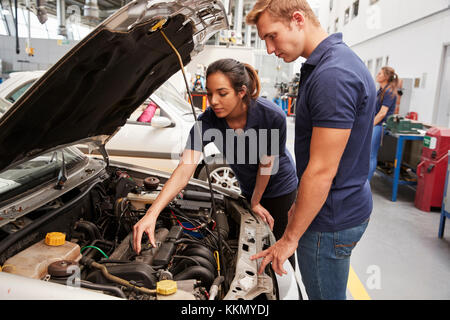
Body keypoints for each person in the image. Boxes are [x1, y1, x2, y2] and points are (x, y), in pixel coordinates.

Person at [245, 0, 377, 300]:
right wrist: (298, 210)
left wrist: (289, 238)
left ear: (297, 19)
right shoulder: (334, 62)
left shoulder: (332, 76)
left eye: (271, 36)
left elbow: (321, 170)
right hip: (339, 207)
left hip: (328, 221)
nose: (268, 49)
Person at [133, 59, 299, 266]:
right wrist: (152, 213)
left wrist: (256, 201)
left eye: (222, 93)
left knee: (279, 253)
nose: (213, 101)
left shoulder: (271, 116)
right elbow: (185, 170)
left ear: (241, 92)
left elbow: (267, 165)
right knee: (254, 252)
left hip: (279, 188)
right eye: (209, 93)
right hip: (249, 187)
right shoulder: (207, 122)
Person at [368, 67, 399, 181]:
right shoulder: (381, 91)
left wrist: (369, 126)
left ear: (386, 77)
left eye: (380, 73)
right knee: (367, 155)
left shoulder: (389, 92)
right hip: (375, 124)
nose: (377, 74)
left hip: (379, 126)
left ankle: (366, 182)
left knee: (371, 155)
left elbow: (382, 113)